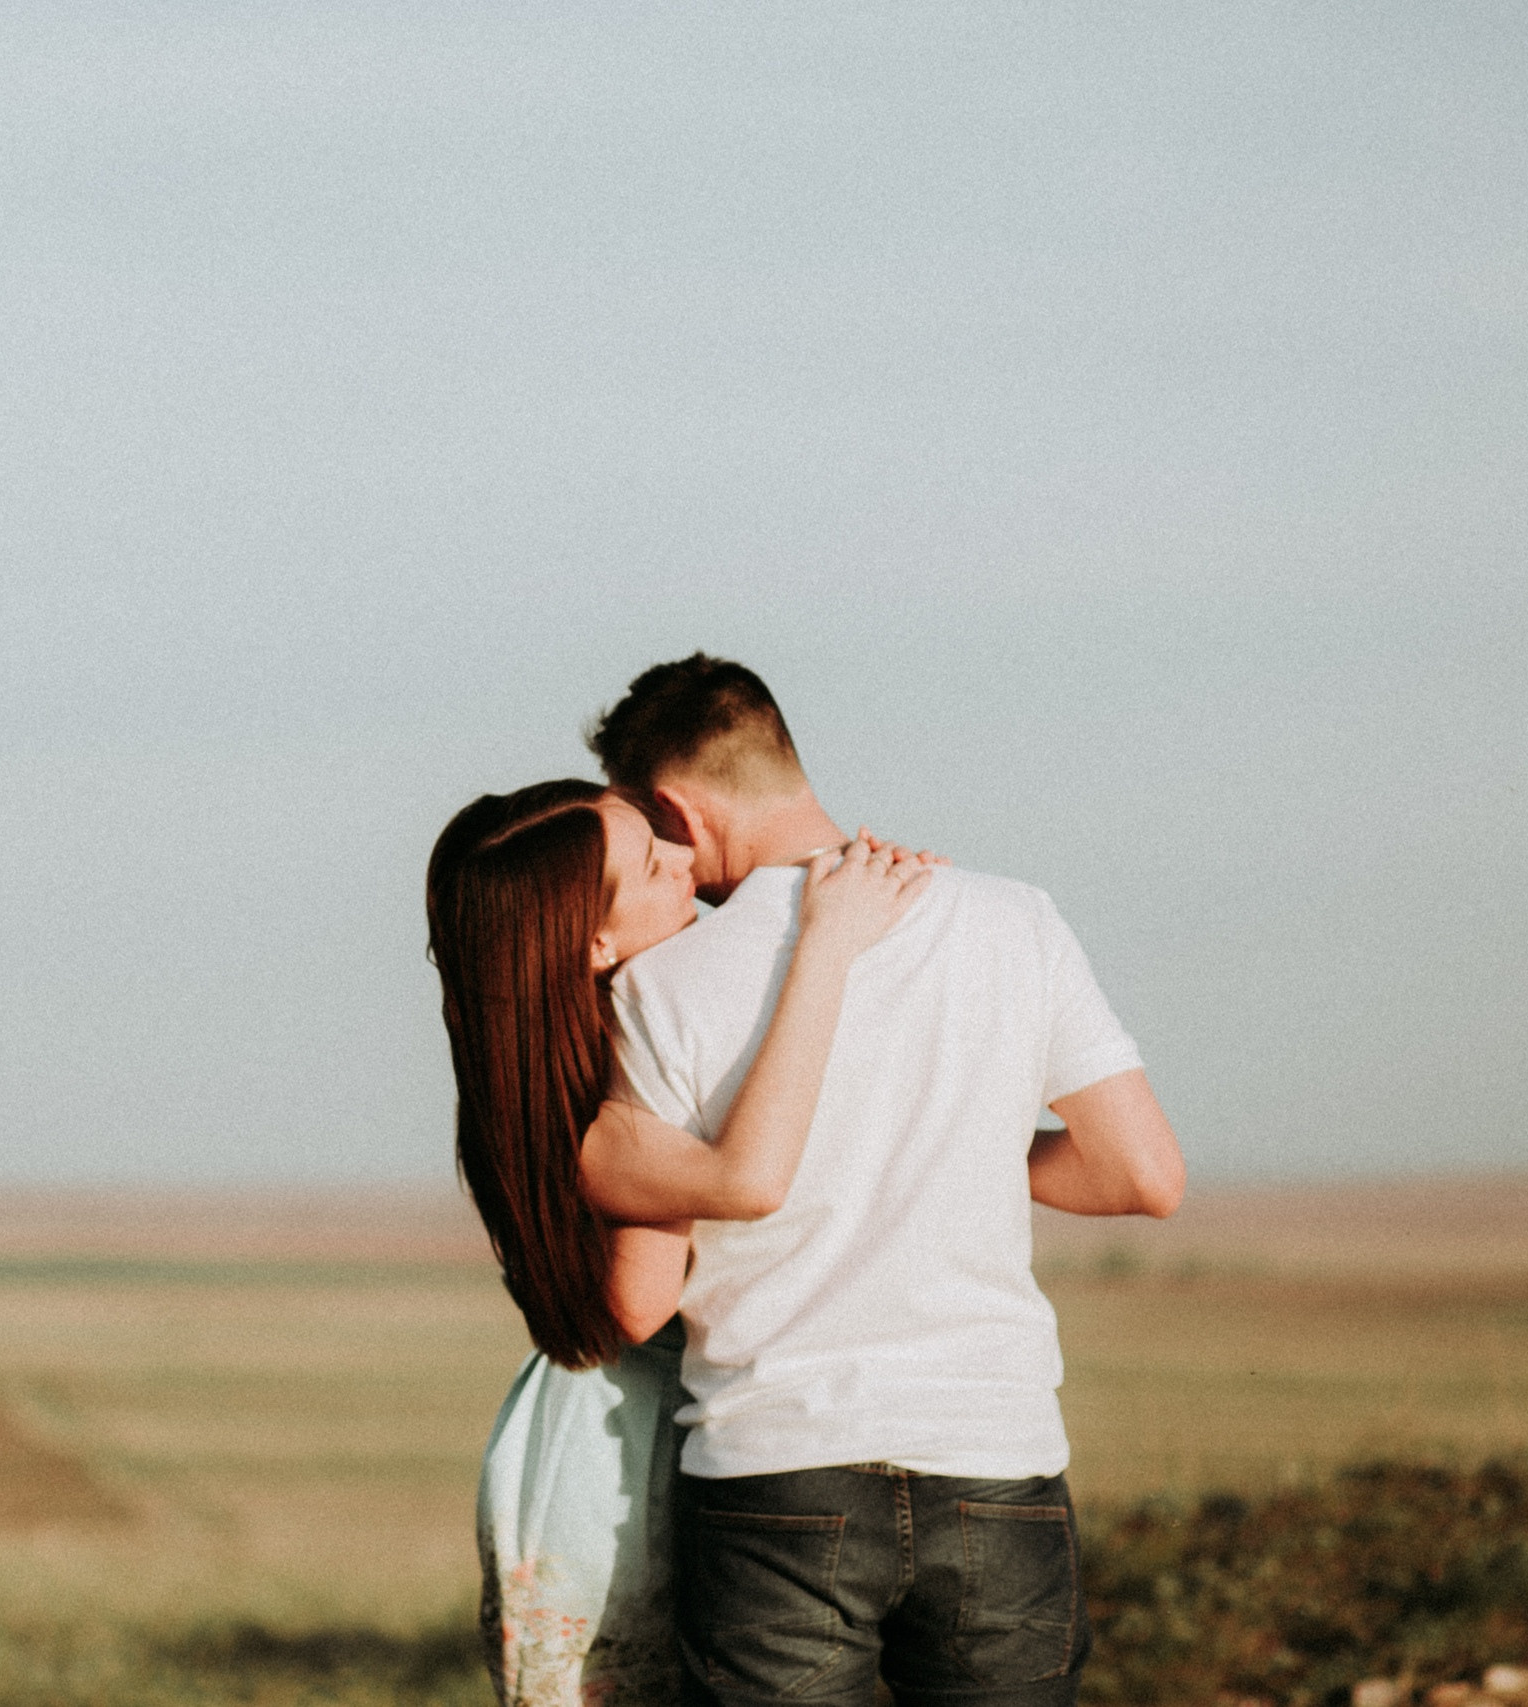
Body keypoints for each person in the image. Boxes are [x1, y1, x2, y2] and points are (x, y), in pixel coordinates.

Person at [588, 654, 1184, 1707]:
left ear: (675, 807)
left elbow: (645, 1280)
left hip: (774, 1469)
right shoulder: (1014, 920)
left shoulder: (657, 988)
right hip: (994, 1453)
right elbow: (1139, 1173)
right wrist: (951, 1131)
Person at [427, 780, 938, 1707]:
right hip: (625, 1458)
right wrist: (827, 941)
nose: (685, 863)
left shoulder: (558, 1063)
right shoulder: (601, 1108)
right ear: (595, 941)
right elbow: (639, 1295)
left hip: (595, 1434)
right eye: (652, 865)